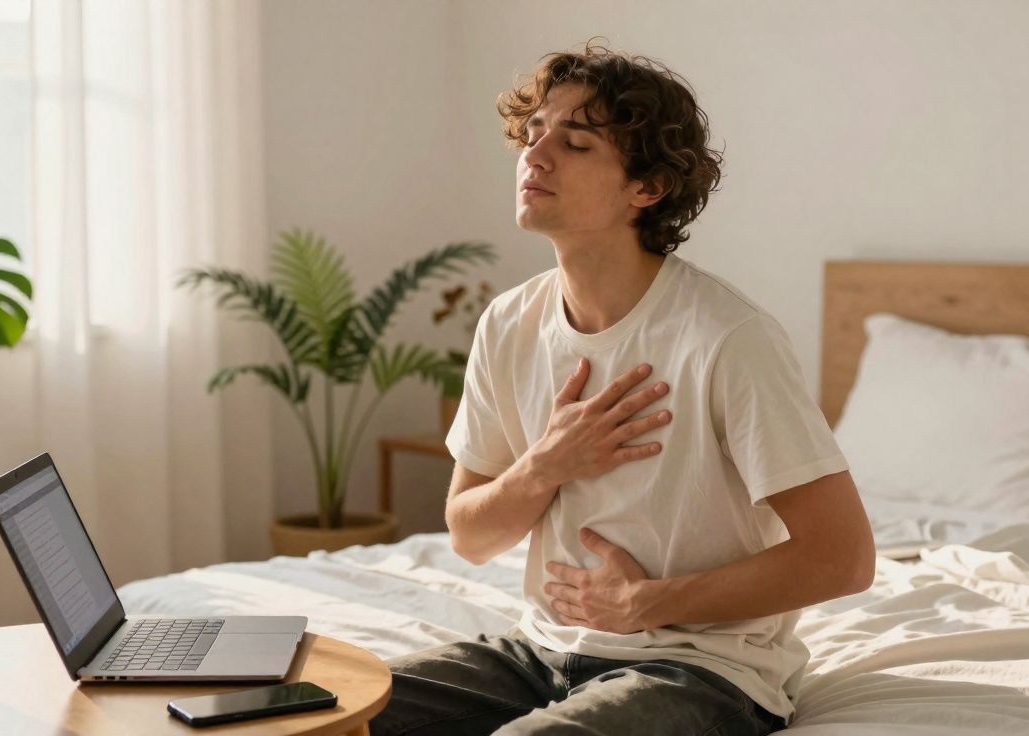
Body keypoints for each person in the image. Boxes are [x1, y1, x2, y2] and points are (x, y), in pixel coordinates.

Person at [371, 39, 875, 736]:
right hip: (537, 652)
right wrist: (547, 465)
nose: (536, 154)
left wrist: (649, 602)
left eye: (574, 143)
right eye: (534, 132)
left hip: (699, 668)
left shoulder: (727, 336)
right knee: (334, 715)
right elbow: (469, 535)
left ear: (648, 188)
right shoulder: (508, 323)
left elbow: (843, 558)